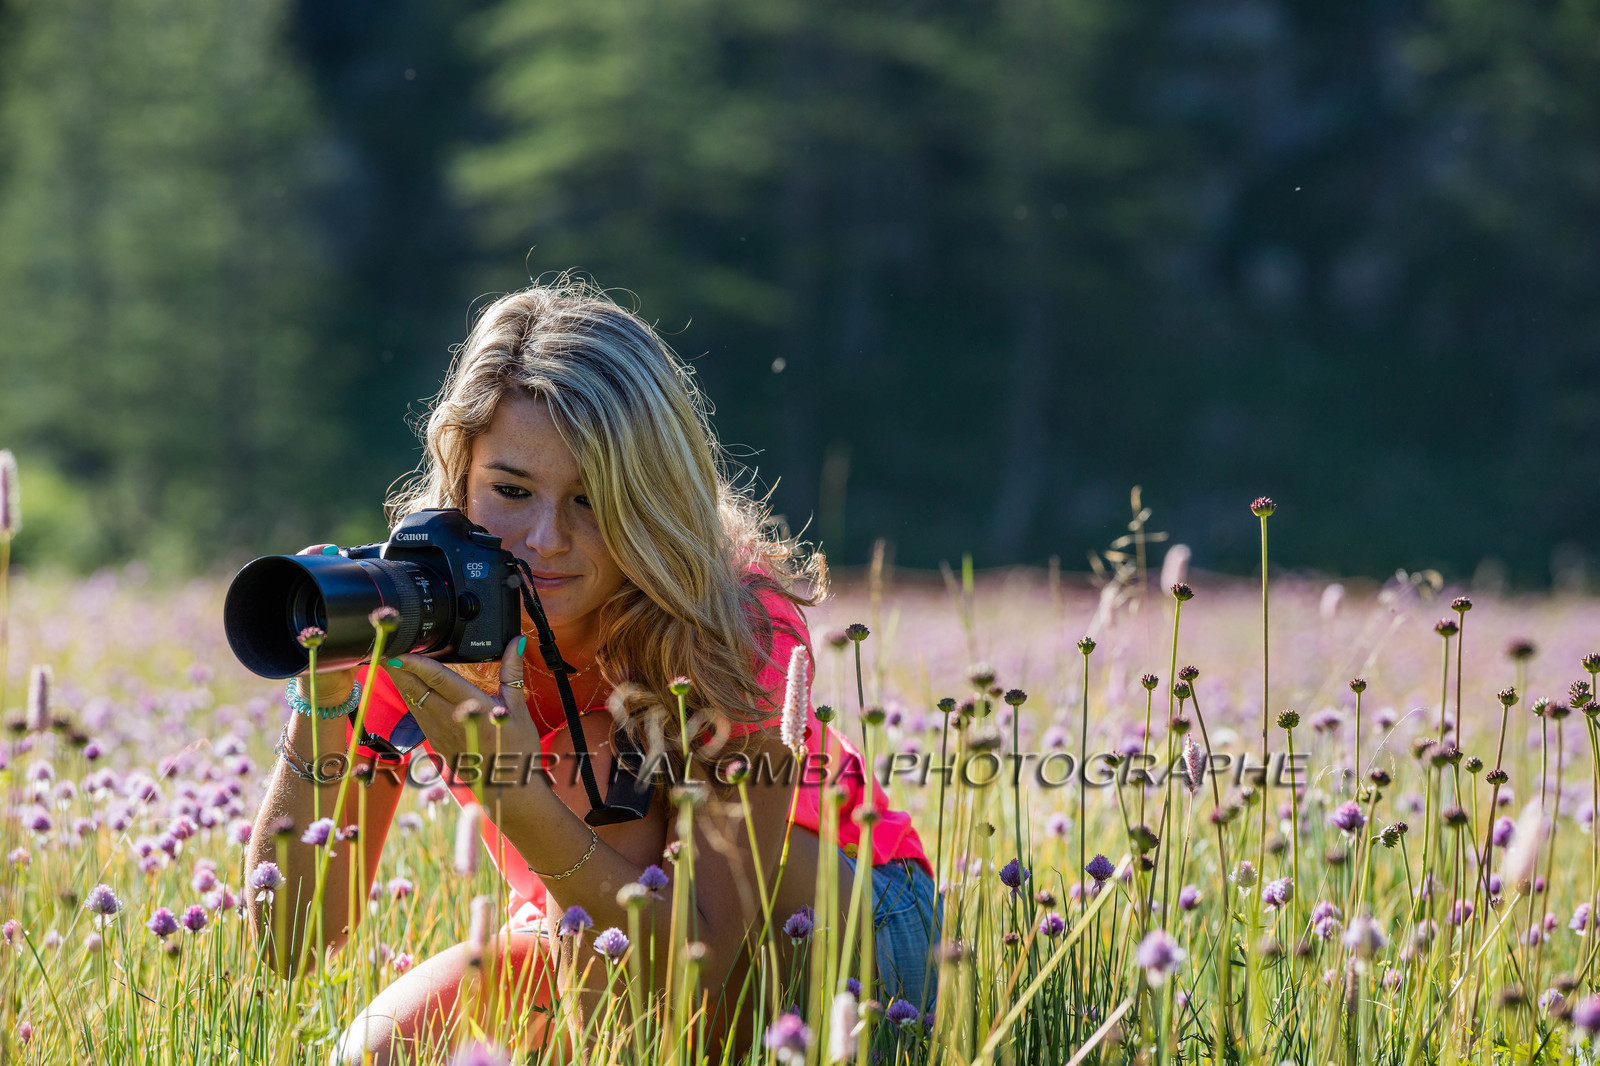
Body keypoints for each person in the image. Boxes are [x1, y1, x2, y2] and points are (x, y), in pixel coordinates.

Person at [241, 278, 937, 1063]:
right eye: (510, 490)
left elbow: (696, 978)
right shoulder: (411, 616)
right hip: (584, 922)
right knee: (375, 1053)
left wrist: (506, 786)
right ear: (460, 471)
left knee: (670, 890)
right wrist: (325, 695)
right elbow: (291, 944)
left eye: (592, 500)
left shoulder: (731, 621)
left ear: (654, 500)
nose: (545, 538)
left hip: (828, 912)